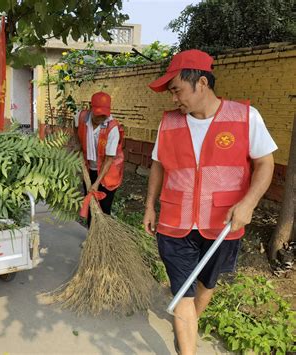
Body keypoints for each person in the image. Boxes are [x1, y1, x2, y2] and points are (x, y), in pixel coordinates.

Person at [143, 49, 277, 354]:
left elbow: (265, 163)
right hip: (174, 224)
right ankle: (187, 343)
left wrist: (250, 203)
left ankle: (187, 326)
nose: (173, 99)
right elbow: (158, 165)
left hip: (222, 225)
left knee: (206, 287)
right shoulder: (169, 123)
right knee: (182, 293)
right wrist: (150, 206)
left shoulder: (245, 117)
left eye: (176, 90)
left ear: (201, 82)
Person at [74, 91, 125, 227]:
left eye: (104, 114)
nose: (101, 117)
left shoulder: (112, 128)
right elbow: (76, 131)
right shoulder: (81, 117)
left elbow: (109, 159)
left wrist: (97, 183)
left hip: (108, 172)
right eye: (98, 114)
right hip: (90, 167)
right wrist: (78, 146)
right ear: (91, 107)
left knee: (104, 207)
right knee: (91, 202)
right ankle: (91, 235)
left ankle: (104, 237)